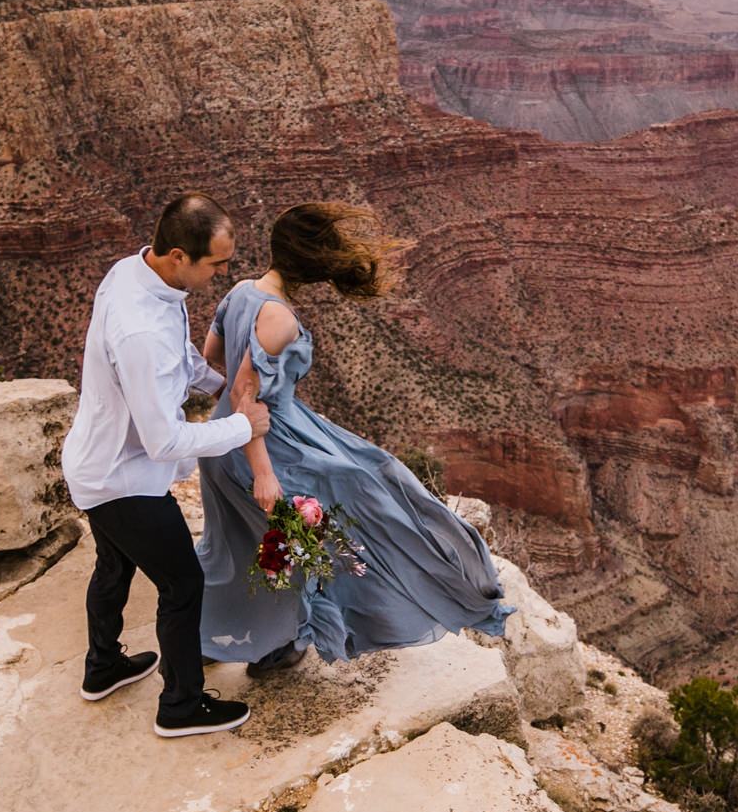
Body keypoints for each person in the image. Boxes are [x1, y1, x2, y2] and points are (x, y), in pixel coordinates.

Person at [194, 201, 514, 671]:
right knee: (367, 492)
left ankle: (214, 639)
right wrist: (263, 470)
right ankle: (290, 637)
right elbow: (247, 393)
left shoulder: (241, 291)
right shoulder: (280, 318)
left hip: (222, 441)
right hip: (261, 448)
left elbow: (213, 355)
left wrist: (251, 408)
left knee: (243, 544)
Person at [61, 191, 273, 738]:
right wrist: (242, 427)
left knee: (114, 567)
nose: (222, 275)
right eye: (215, 265)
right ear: (178, 255)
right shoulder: (141, 331)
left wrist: (220, 386)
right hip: (121, 478)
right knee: (181, 583)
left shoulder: (137, 273)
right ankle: (181, 705)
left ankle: (102, 667)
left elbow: (179, 363)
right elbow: (163, 440)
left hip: (94, 461)